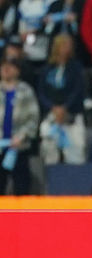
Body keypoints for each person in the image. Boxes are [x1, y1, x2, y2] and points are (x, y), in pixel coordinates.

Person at [0, 57, 40, 195]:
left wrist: (21, 136)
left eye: (10, 66)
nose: (6, 69)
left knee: (22, 187)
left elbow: (33, 118)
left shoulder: (26, 90)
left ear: (17, 71)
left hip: (19, 147)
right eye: (3, 66)